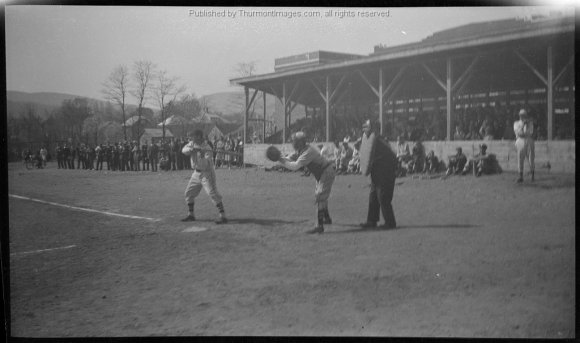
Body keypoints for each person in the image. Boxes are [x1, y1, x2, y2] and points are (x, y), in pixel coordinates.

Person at [277, 131, 335, 234]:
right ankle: (326, 218)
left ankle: (319, 226)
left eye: (295, 141)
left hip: (326, 172)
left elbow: (295, 166)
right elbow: (289, 158)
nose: (293, 143)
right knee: (321, 196)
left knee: (320, 196)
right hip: (322, 173)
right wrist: (280, 158)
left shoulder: (308, 151)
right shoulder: (301, 150)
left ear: (300, 142)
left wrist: (281, 161)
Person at [181, 130, 228, 224]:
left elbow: (205, 165)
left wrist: (201, 155)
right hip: (196, 173)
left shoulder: (207, 147)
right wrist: (192, 150)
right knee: (188, 193)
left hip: (207, 173)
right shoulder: (192, 143)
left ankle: (223, 216)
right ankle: (191, 215)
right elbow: (183, 150)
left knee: (213, 194)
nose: (191, 139)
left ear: (199, 136)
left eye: (193, 136)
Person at [359, 120, 397, 229]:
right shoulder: (372, 140)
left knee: (383, 197)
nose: (364, 129)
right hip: (377, 172)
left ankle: (390, 223)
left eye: (367, 127)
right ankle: (371, 221)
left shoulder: (379, 141)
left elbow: (391, 157)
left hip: (385, 172)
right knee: (373, 197)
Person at [514, 109, 535, 183]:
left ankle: (532, 175)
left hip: (528, 140)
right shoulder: (516, 123)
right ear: (519, 115)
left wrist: (527, 124)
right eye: (521, 115)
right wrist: (523, 125)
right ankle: (521, 176)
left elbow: (530, 132)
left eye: (524, 115)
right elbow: (519, 133)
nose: (523, 116)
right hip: (520, 140)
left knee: (531, 158)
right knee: (520, 158)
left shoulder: (530, 123)